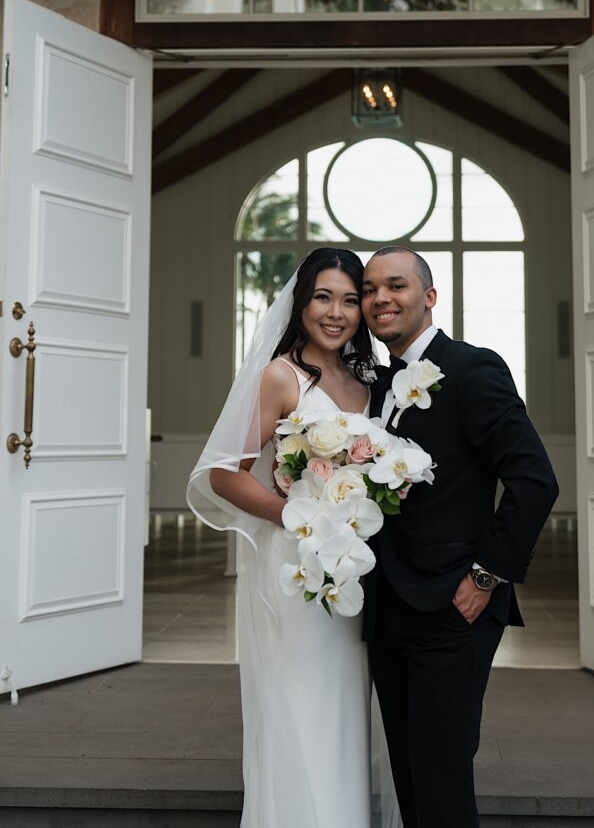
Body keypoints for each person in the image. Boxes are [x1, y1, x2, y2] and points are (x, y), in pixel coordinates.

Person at [361, 246, 559, 828]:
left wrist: (484, 579)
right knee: (408, 770)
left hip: (455, 604)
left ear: (429, 296)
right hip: (387, 603)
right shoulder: (373, 385)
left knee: (441, 772)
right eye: (370, 289)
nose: (380, 299)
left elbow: (535, 481)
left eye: (395, 286)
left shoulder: (473, 368)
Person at [187, 248, 377, 828]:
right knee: (299, 705)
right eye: (323, 296)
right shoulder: (281, 376)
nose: (337, 312)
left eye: (349, 299)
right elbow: (223, 474)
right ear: (301, 303)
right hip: (297, 568)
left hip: (354, 569)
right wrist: (295, 519)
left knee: (344, 708)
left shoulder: (370, 380)